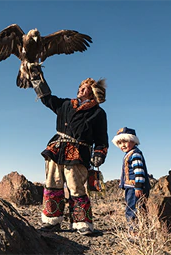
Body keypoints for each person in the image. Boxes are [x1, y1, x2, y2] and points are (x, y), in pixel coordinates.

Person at [30, 66, 108, 235]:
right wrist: (36, 78)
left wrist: (99, 154)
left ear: (92, 92)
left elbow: (101, 138)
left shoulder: (98, 113)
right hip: (57, 149)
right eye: (80, 86)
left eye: (85, 87)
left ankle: (81, 223)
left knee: (76, 186)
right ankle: (52, 221)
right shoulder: (65, 104)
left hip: (79, 152)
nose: (80, 89)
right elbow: (47, 99)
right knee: (52, 184)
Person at [112, 127, 151, 222]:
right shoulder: (129, 154)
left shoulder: (135, 154)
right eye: (120, 143)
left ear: (133, 141)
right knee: (136, 209)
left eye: (125, 141)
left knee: (133, 210)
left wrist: (138, 186)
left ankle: (134, 232)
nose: (123, 145)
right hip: (131, 187)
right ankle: (140, 230)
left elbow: (139, 171)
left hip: (135, 187)